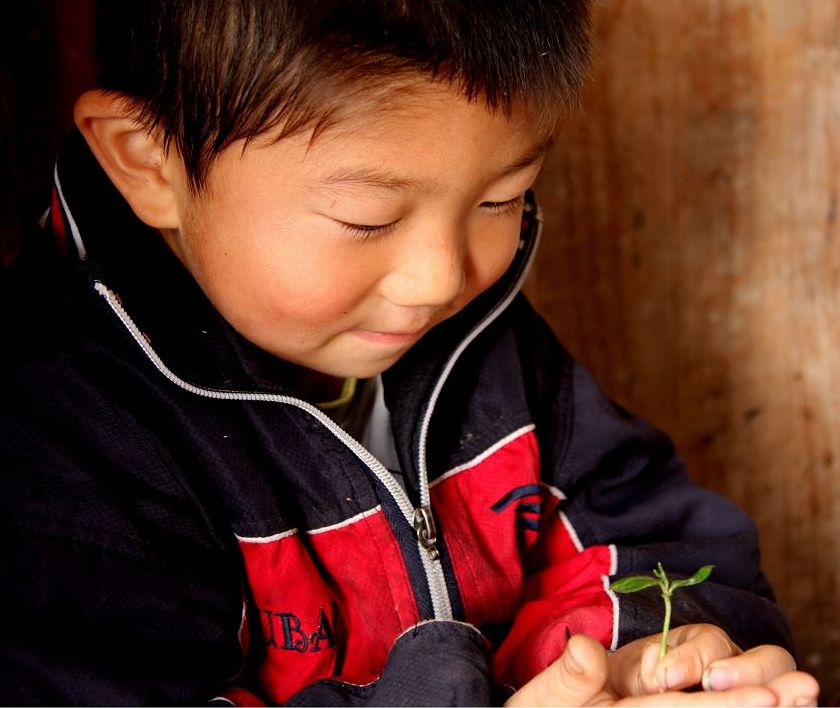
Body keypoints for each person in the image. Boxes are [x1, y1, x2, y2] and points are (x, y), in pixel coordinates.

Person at [0, 1, 820, 705]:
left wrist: (644, 660)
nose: (439, 279)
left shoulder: (482, 344)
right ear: (150, 162)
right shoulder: (60, 448)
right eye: (369, 218)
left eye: (502, 198)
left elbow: (649, 536)